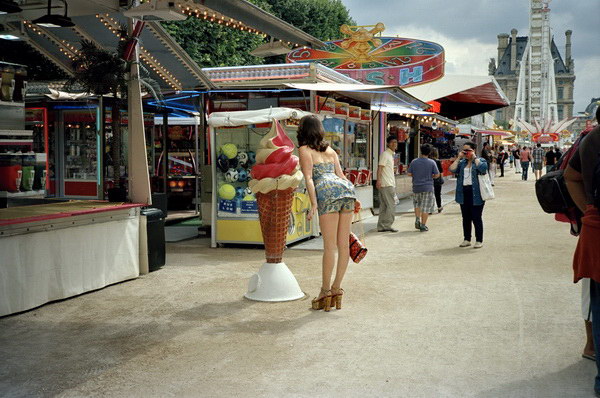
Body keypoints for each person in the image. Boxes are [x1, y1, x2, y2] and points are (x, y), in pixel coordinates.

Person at [298, 115, 359, 312]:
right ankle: (337, 288)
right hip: (345, 191)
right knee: (343, 245)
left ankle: (325, 291)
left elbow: (308, 178)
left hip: (326, 193)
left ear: (303, 131)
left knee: (329, 247)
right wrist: (353, 195)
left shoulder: (304, 150)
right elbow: (341, 176)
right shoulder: (330, 150)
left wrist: (313, 203)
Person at [564, 106, 600, 396]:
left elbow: (570, 176)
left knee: (596, 299)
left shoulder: (590, 140)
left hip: (595, 229)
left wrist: (586, 210)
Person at [449, 141, 489, 248]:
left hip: (476, 192)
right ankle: (467, 238)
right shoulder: (462, 163)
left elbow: (483, 169)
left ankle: (479, 240)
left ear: (474, 150)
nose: (466, 152)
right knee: (465, 217)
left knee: (476, 217)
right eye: (464, 150)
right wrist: (458, 158)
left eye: (468, 150)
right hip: (463, 192)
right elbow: (451, 169)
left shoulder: (480, 160)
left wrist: (474, 157)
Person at [407, 144, 440, 232]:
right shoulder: (432, 162)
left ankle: (417, 219)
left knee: (417, 204)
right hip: (427, 187)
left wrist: (417, 175)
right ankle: (423, 225)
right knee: (425, 207)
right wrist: (431, 176)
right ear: (429, 152)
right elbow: (437, 175)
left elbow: (409, 173)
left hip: (416, 187)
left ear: (421, 151)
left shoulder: (414, 161)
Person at [376, 136, 399, 233]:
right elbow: (380, 168)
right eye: (392, 142)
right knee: (391, 205)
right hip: (387, 184)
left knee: (384, 206)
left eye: (396, 142)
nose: (394, 144)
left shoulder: (390, 155)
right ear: (388, 144)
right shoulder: (385, 154)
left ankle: (381, 226)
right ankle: (387, 225)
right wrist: (378, 180)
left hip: (387, 183)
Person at [431, 147, 444, 213]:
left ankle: (430, 208)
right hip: (437, 179)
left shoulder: (428, 161)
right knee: (438, 194)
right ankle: (439, 207)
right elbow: (441, 171)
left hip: (429, 180)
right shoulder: (438, 161)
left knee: (430, 194)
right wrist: (441, 179)